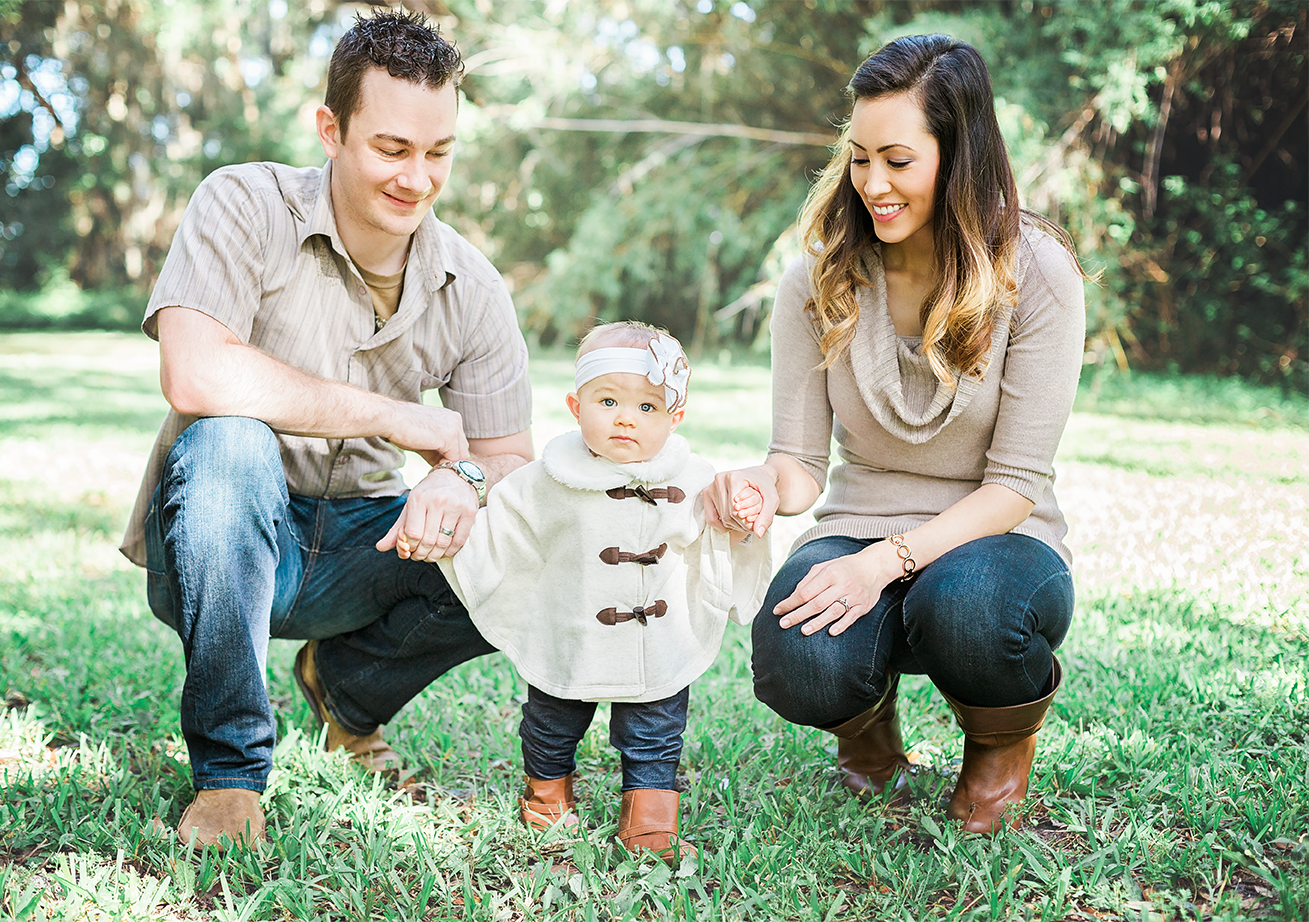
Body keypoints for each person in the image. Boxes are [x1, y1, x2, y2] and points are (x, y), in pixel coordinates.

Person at [118, 10, 534, 848]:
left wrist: (461, 480)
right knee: (229, 438)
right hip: (221, 529)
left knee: (531, 532)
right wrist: (398, 416)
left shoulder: (473, 285)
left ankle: (346, 691)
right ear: (331, 130)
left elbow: (508, 458)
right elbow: (196, 373)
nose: (417, 179)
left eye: (438, 153)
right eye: (391, 149)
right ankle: (231, 778)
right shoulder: (243, 201)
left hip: (363, 548)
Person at [703, 34, 1086, 834]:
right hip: (859, 523)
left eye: (899, 161)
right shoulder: (818, 279)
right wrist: (758, 487)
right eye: (859, 158)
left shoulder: (1038, 272)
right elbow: (800, 465)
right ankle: (871, 740)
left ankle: (995, 756)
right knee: (794, 653)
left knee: (968, 604)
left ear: (961, 156)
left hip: (1000, 541)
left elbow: (1015, 485)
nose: (873, 184)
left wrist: (888, 563)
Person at [439, 323, 770, 864]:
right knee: (551, 720)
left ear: (674, 418)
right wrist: (450, 538)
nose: (625, 417)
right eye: (608, 400)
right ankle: (546, 798)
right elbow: (502, 526)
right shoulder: (547, 477)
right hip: (570, 629)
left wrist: (739, 519)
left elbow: (722, 530)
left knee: (656, 729)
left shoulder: (692, 478)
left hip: (658, 638)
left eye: (647, 407)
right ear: (576, 406)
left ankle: (649, 820)